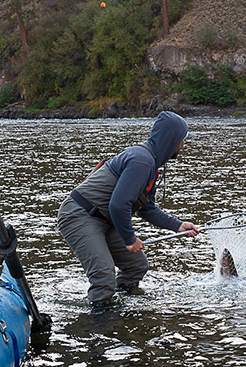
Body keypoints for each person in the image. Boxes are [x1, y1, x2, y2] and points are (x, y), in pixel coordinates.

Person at [57, 111, 199, 307]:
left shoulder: (150, 164)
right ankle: (100, 324)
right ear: (171, 140)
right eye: (181, 140)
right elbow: (118, 204)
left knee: (136, 266)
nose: (182, 146)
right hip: (80, 215)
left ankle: (119, 307)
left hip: (105, 219)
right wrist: (130, 239)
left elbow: (146, 208)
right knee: (104, 276)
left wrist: (178, 225)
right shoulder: (142, 160)